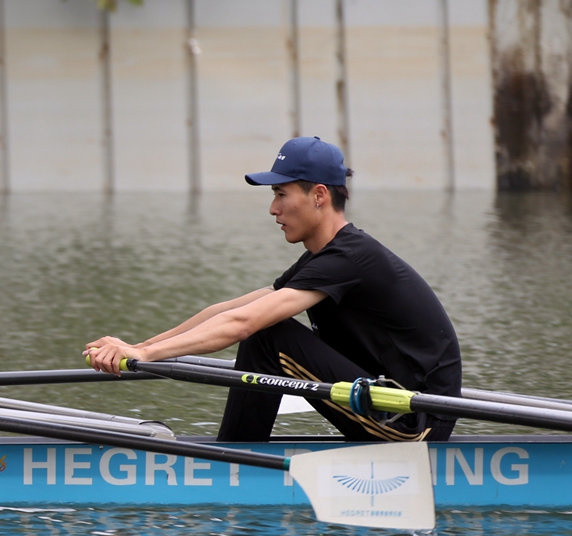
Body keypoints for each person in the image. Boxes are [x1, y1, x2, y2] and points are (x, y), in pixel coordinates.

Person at [85, 136, 461, 442]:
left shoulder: (349, 259)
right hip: (389, 400)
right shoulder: (326, 258)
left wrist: (148, 353)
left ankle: (235, 462)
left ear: (318, 195)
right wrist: (140, 347)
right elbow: (227, 310)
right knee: (264, 329)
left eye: (281, 194)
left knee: (266, 335)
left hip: (411, 420)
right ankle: (237, 453)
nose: (272, 209)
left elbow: (243, 324)